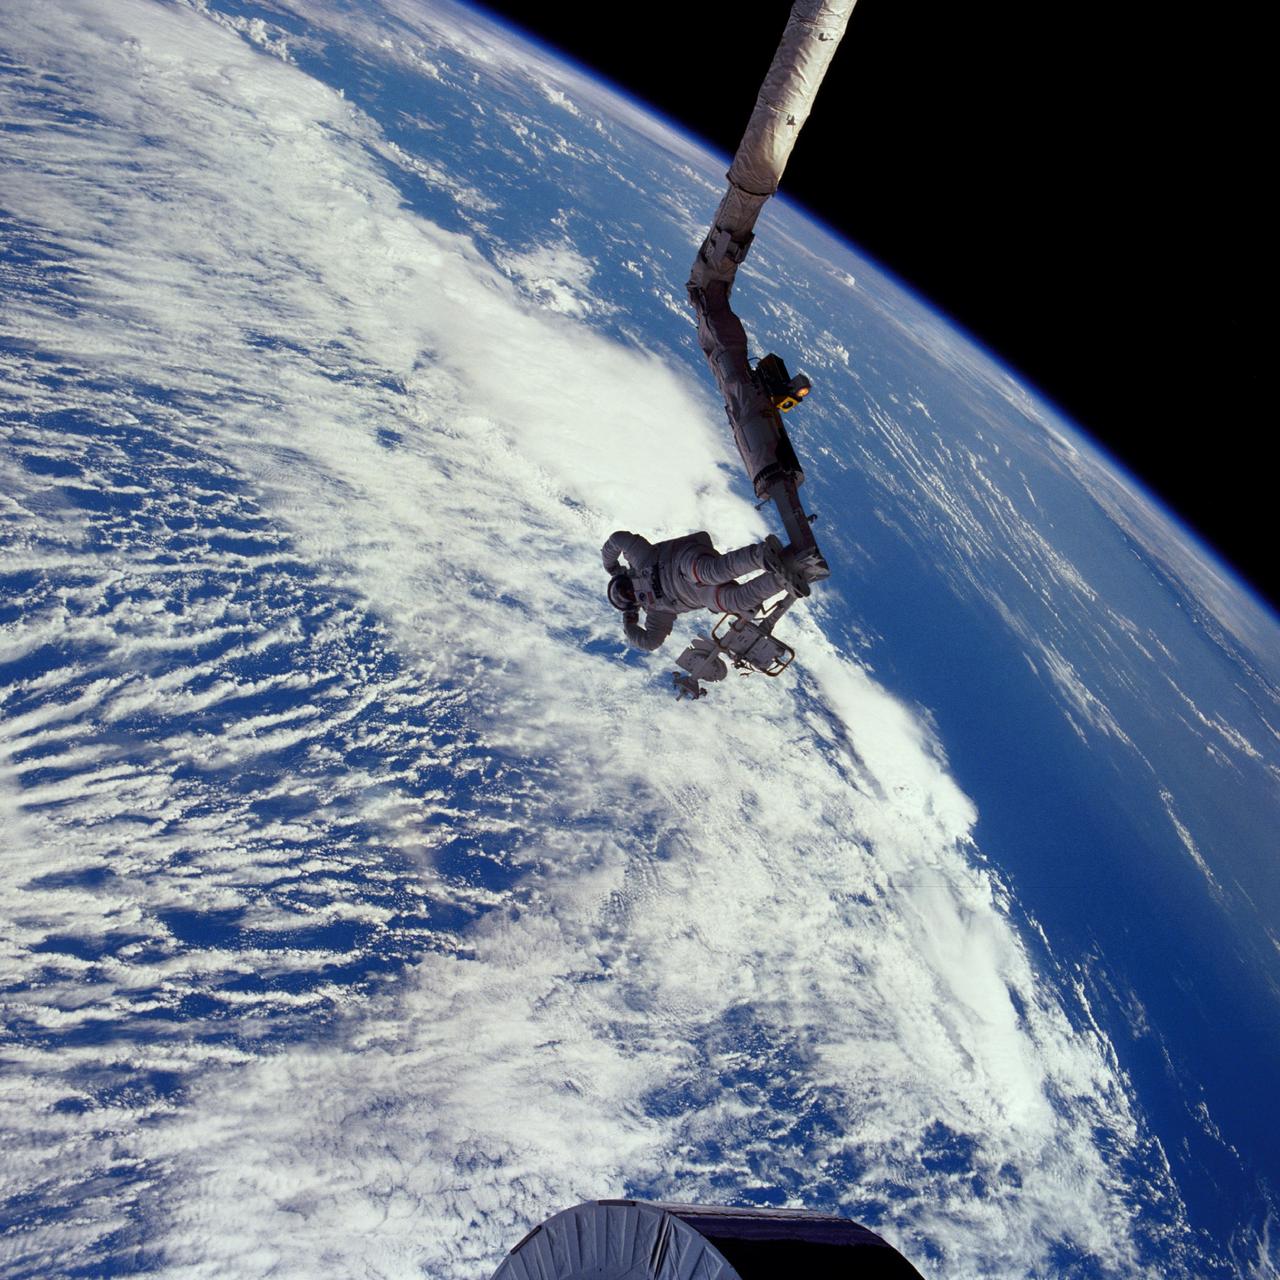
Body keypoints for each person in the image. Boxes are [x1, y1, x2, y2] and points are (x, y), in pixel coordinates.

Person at [601, 529, 808, 653]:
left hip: (685, 564)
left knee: (710, 572)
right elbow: (650, 643)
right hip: (699, 594)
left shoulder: (640, 560)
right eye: (628, 598)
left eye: (625, 588)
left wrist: (609, 565)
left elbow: (618, 539)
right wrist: (629, 625)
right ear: (632, 606)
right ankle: (780, 578)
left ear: (623, 578)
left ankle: (761, 556)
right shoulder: (656, 612)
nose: (631, 592)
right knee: (734, 601)